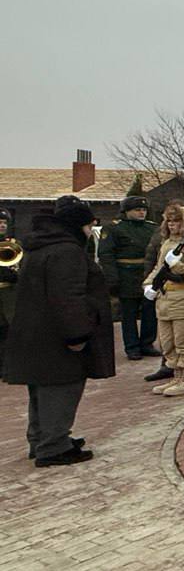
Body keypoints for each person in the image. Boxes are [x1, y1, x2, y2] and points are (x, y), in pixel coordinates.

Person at [4, 195, 113, 466]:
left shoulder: (40, 246)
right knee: (62, 387)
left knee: (41, 389)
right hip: (57, 337)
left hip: (36, 334)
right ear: (78, 225)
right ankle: (54, 447)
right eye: (89, 226)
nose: (91, 231)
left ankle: (41, 438)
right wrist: (77, 335)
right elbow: (68, 297)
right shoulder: (67, 251)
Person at [142, 203, 184, 397]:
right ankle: (177, 376)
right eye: (169, 221)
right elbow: (158, 268)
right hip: (165, 298)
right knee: (168, 342)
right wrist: (148, 285)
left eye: (177, 221)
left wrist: (179, 266)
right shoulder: (167, 243)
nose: (172, 225)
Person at [97, 196, 163, 361]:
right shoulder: (114, 228)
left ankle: (147, 343)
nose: (141, 212)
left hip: (148, 274)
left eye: (143, 210)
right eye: (137, 210)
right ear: (126, 212)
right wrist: (112, 278)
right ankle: (132, 347)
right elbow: (106, 254)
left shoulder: (153, 228)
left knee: (150, 311)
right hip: (126, 275)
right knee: (129, 314)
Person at [0, 208, 17, 380]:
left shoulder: (11, 243)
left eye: (4, 223)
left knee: (8, 330)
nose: (2, 225)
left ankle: (6, 367)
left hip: (8, 294)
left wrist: (14, 275)